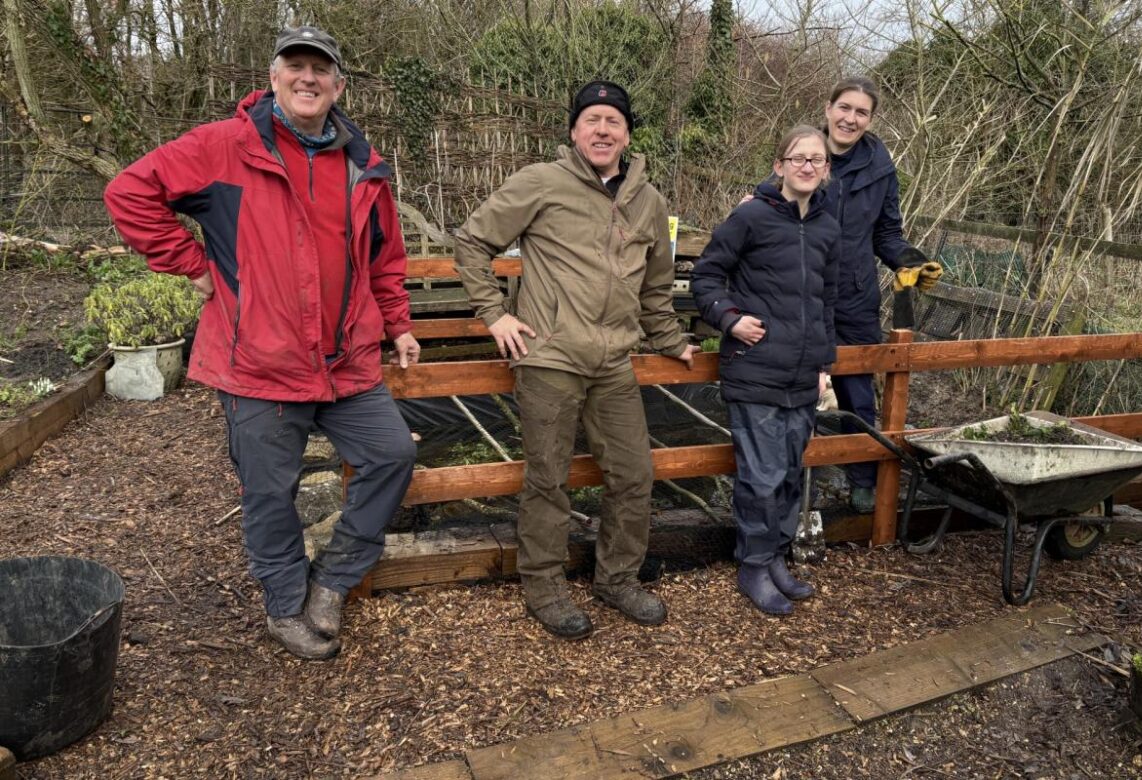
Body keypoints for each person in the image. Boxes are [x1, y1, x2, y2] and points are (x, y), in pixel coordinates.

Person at [104, 25, 420, 660]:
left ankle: (332, 580)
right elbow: (129, 193)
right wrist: (191, 263)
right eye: (295, 66)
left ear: (339, 86)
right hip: (260, 363)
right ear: (274, 78)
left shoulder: (363, 164)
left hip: (346, 360)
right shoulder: (223, 148)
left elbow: (385, 257)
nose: (308, 78)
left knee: (391, 455)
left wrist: (399, 323)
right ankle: (283, 606)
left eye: (320, 69)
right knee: (270, 492)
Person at [454, 80, 700, 640]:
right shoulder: (542, 182)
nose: (602, 130)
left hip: (614, 361)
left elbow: (656, 288)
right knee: (548, 478)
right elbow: (471, 242)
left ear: (628, 135)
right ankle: (543, 586)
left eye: (613, 121)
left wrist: (671, 340)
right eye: (592, 120)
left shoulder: (649, 200)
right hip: (549, 357)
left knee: (635, 474)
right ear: (574, 131)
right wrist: (495, 314)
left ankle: (617, 579)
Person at [692, 125, 839, 615]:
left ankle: (776, 556)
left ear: (826, 170)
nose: (806, 166)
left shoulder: (826, 227)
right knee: (761, 474)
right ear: (779, 166)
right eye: (797, 158)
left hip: (802, 374)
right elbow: (706, 274)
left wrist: (823, 364)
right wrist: (730, 320)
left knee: (791, 473)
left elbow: (826, 301)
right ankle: (753, 564)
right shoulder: (750, 217)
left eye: (816, 160)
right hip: (755, 369)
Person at [816, 77, 942, 512]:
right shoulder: (806, 152)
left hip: (854, 293)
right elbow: (771, 202)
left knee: (857, 390)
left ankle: (863, 479)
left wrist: (910, 260)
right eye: (844, 107)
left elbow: (887, 232)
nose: (850, 118)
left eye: (861, 112)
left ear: (870, 119)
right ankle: (792, 481)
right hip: (803, 289)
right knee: (793, 383)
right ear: (828, 108)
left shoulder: (879, 165)